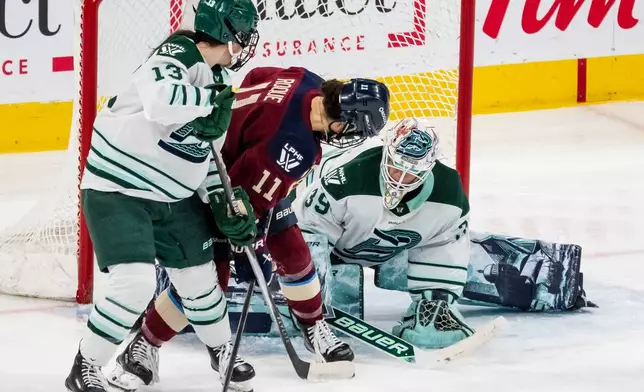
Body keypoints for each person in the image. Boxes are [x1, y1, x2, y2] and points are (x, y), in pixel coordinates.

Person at [108, 65, 391, 391]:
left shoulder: (306, 80)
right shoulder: (294, 146)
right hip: (208, 185)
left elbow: (257, 76)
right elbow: (240, 203)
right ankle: (143, 345)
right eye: (353, 131)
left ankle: (312, 326)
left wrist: (249, 137)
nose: (348, 138)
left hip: (236, 166)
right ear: (341, 122)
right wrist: (248, 243)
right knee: (209, 283)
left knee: (293, 251)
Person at [64, 1, 260, 392]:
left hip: (173, 198)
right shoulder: (175, 56)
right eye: (242, 34)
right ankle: (86, 365)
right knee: (134, 285)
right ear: (224, 30)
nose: (245, 45)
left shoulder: (217, 84)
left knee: (200, 281)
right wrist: (207, 105)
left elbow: (205, 156)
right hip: (119, 191)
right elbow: (161, 102)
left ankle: (222, 350)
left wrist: (225, 201)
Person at [292, 118, 474, 349]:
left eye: (410, 173)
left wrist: (437, 298)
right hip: (326, 238)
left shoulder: (449, 194)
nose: (398, 178)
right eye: (395, 166)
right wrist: (304, 292)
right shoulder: (347, 178)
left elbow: (444, 243)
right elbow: (308, 228)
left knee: (477, 265)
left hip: (390, 246)